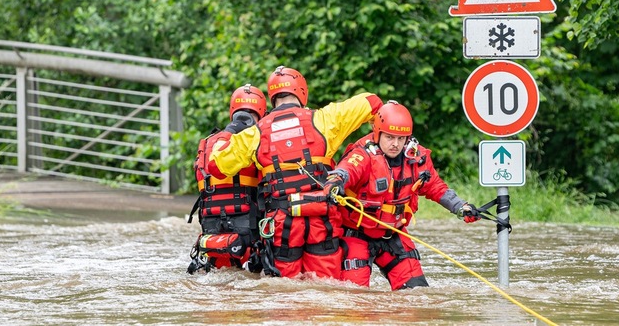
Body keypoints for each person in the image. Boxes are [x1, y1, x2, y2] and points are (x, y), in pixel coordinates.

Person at [205, 66, 382, 279]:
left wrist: (231, 131)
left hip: (283, 226)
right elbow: (372, 101)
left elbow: (215, 165)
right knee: (324, 288)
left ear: (272, 97)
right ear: (302, 91)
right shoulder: (325, 119)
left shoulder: (256, 133)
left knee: (285, 299)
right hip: (322, 222)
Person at [323, 100, 480, 290]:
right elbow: (347, 170)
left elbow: (436, 187)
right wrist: (337, 181)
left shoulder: (417, 158)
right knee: (354, 296)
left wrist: (460, 207)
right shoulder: (363, 155)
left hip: (394, 235)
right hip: (356, 236)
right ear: (377, 133)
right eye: (389, 137)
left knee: (417, 293)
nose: (395, 144)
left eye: (401, 138)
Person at [187, 84, 267, 274]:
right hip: (249, 229)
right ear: (262, 111)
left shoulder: (206, 144)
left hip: (211, 230)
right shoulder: (257, 138)